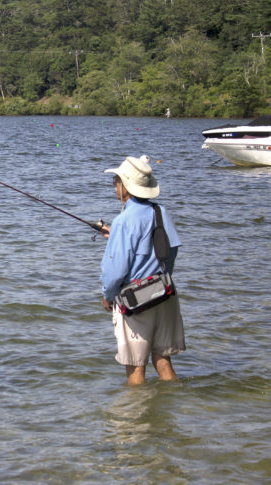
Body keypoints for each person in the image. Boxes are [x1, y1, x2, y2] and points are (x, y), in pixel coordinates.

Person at [99, 156, 185, 385]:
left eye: (116, 180)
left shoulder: (123, 221)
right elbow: (171, 251)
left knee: (135, 369)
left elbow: (115, 272)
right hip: (164, 294)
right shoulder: (160, 212)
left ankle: (135, 418)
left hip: (136, 302)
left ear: (125, 187)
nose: (114, 184)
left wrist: (107, 296)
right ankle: (173, 412)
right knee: (163, 361)